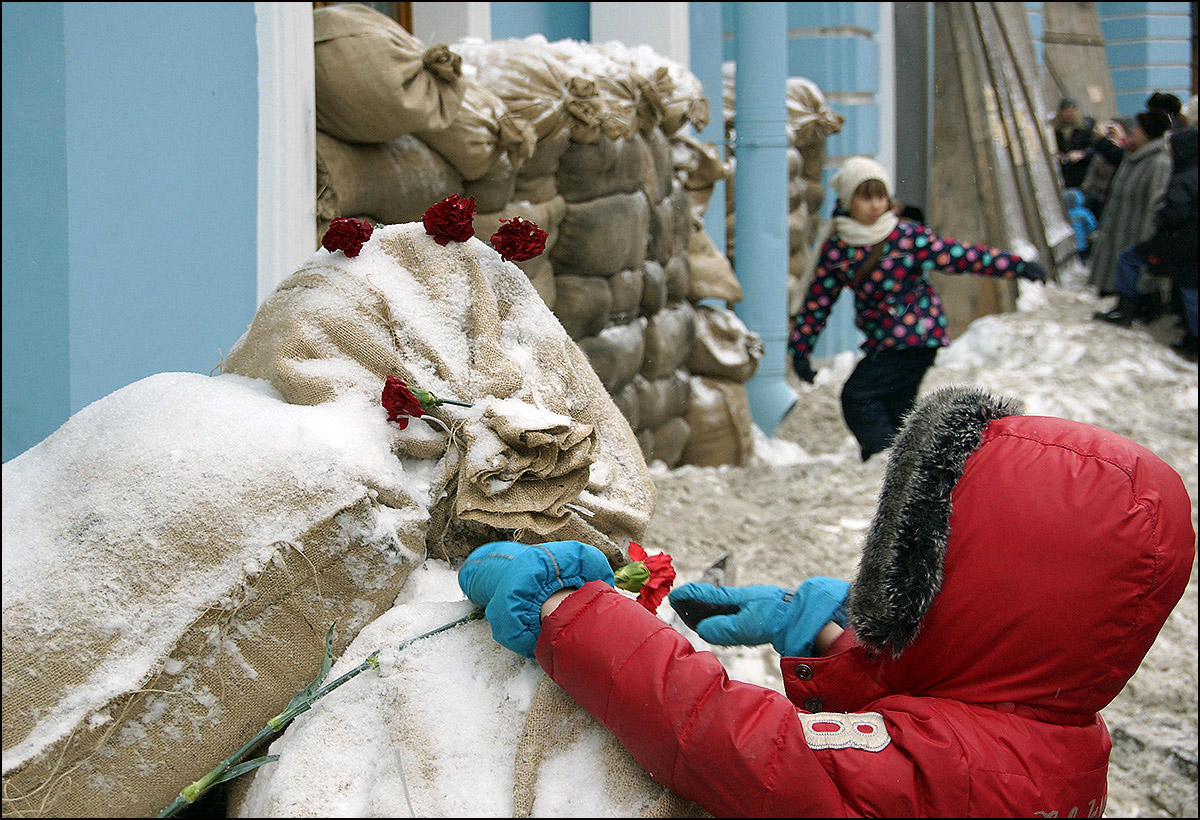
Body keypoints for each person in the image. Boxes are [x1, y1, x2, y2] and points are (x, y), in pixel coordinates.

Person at [457, 385, 1196, 818]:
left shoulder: (964, 774)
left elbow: (734, 744)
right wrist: (829, 638)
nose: (890, 580)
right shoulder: (1039, 732)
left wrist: (571, 612)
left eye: (915, 570)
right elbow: (941, 705)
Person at [786, 156, 1045, 462]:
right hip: (886, 338)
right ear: (847, 200)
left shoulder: (906, 236)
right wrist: (802, 348)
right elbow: (820, 299)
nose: (875, 206)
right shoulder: (840, 247)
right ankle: (910, 466)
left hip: (917, 335)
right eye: (865, 197)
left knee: (858, 396)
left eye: (880, 196)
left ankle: (884, 459)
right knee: (898, 407)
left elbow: (961, 256)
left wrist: (1017, 266)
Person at [1097, 128, 1198, 359]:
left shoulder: (1184, 176)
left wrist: (1161, 215)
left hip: (1178, 246)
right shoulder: (1189, 172)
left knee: (1191, 296)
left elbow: (1174, 213)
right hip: (1183, 246)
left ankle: (1127, 310)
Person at [1088, 109, 1173, 305]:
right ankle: (1121, 302)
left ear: (1148, 134)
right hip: (1117, 231)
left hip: (1136, 234)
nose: (1132, 131)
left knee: (1133, 273)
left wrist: (1146, 240)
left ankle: (1135, 305)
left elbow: (1155, 207)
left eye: (1138, 128)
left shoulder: (1158, 162)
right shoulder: (1131, 158)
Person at [1052, 97, 1098, 188]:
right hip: (1063, 171)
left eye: (1072, 111)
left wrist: (1081, 154)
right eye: (1067, 111)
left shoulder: (1085, 127)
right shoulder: (1055, 129)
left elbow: (1093, 147)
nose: (1069, 114)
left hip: (1081, 171)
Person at [1064, 187, 1098, 261]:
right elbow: (1091, 225)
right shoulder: (1083, 213)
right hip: (1081, 243)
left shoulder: (1064, 214)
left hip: (1068, 245)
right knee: (1083, 259)